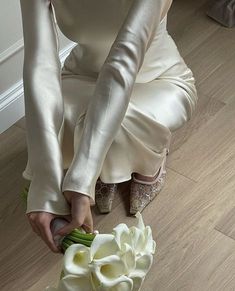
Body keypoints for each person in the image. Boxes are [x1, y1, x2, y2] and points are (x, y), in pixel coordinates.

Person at [19, 0, 198, 253]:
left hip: (154, 79)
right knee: (62, 119)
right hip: (82, 75)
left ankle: (150, 157)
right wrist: (45, 183)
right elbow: (40, 63)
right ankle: (108, 164)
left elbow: (124, 57)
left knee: (121, 123)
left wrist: (81, 179)